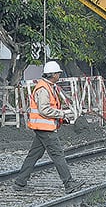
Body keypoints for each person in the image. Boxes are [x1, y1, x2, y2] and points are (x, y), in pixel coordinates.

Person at [13, 60, 85, 194]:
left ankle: (20, 182)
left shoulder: (47, 86)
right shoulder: (43, 89)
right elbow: (44, 110)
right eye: (58, 73)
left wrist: (61, 118)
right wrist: (61, 114)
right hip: (45, 129)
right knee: (58, 155)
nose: (59, 75)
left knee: (34, 155)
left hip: (42, 127)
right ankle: (69, 183)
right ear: (52, 74)